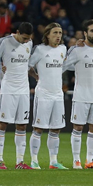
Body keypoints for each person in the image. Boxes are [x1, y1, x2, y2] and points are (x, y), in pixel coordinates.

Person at [64, 20, 93, 169]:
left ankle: (90, 160)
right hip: (81, 96)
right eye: (92, 31)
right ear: (85, 33)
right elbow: (63, 65)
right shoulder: (77, 50)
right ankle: (76, 161)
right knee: (78, 128)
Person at [0, 22, 34, 170]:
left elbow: (27, 64)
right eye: (24, 38)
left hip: (23, 89)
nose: (26, 41)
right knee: (3, 123)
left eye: (28, 39)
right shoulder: (4, 42)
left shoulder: (29, 43)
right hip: (9, 88)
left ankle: (20, 162)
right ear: (17, 32)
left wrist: (35, 75)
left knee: (22, 125)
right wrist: (0, 68)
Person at [28, 23, 68, 170]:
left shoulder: (63, 49)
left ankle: (53, 162)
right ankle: (34, 160)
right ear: (47, 35)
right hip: (43, 94)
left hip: (58, 94)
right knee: (38, 128)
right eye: (55, 33)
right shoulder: (39, 49)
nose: (58, 36)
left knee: (56, 129)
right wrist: (36, 76)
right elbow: (28, 65)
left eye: (60, 33)